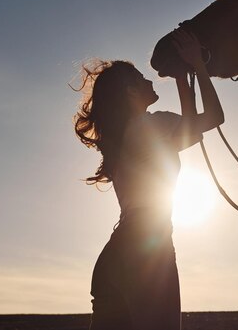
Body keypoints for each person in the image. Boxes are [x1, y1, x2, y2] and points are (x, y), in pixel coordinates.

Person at [73, 29, 224, 330]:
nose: (150, 80)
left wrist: (183, 76)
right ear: (130, 91)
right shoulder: (152, 125)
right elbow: (213, 117)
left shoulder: (127, 135)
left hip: (116, 256)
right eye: (142, 79)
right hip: (148, 253)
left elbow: (189, 131)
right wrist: (198, 65)